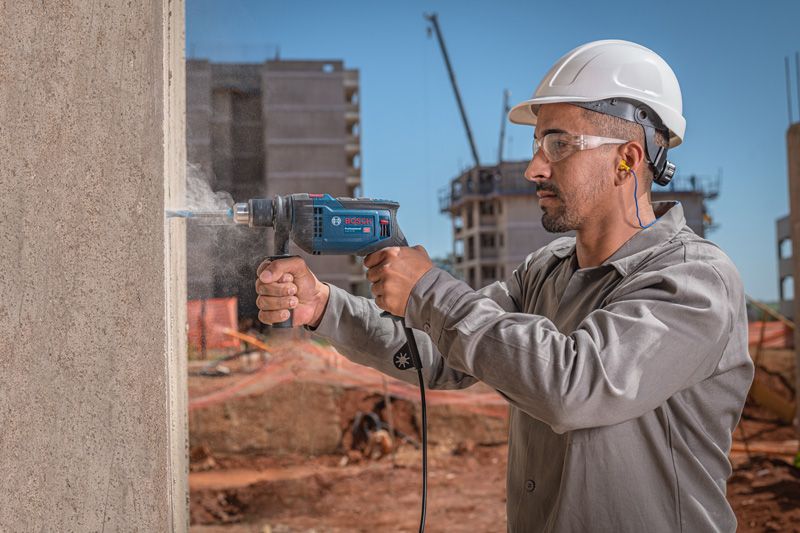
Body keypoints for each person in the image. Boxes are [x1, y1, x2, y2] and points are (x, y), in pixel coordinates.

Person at [254, 40, 754, 532]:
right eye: (537, 145)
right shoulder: (545, 271)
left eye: (559, 144)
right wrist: (323, 306)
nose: (534, 167)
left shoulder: (694, 281)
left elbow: (575, 387)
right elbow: (439, 351)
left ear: (627, 160)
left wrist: (429, 289)